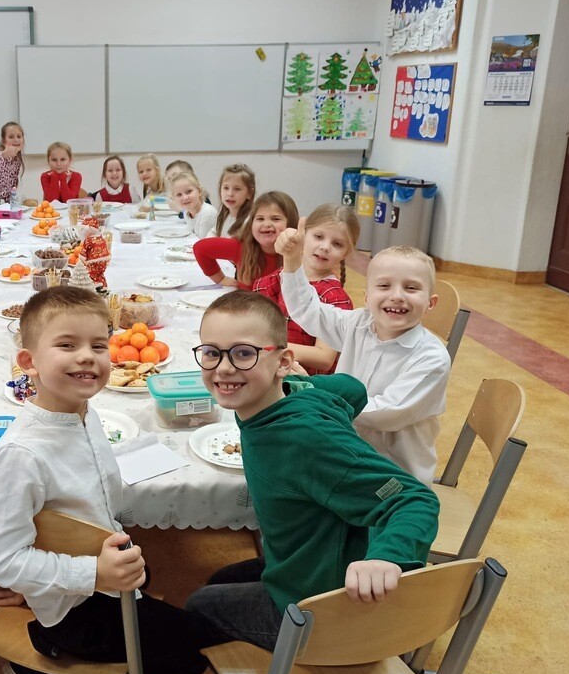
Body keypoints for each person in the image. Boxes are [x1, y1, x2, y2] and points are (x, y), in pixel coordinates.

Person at [0, 287, 223, 674]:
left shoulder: (85, 412)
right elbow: (5, 561)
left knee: (155, 586)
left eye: (98, 344)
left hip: (96, 566)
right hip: (75, 611)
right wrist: (93, 573)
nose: (87, 356)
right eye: (66, 345)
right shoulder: (21, 456)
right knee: (192, 654)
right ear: (28, 362)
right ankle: (46, 641)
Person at [185, 291, 439, 650]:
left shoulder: (304, 440)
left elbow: (411, 499)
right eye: (212, 353)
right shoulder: (289, 393)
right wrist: (303, 385)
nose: (224, 368)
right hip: (307, 560)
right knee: (220, 579)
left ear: (283, 361)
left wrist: (386, 557)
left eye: (243, 354)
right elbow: (351, 388)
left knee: (199, 605)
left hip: (323, 606)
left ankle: (293, 663)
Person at [278, 230, 450, 485]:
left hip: (393, 476)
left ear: (430, 303)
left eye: (411, 288)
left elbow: (388, 413)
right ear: (367, 298)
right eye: (384, 285)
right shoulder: (358, 323)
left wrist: (314, 390)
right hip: (344, 455)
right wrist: (292, 260)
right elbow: (307, 310)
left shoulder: (432, 357)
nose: (397, 295)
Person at [253, 204, 358, 375]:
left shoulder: (335, 297)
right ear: (304, 234)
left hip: (305, 381)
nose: (325, 247)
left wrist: (267, 347)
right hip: (271, 369)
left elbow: (324, 358)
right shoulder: (281, 276)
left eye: (337, 244)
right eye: (318, 236)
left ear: (345, 253)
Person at [193, 192, 298, 288]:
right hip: (247, 302)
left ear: (291, 223)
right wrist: (220, 279)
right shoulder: (241, 247)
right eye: (260, 219)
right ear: (251, 223)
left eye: (275, 219)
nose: (266, 224)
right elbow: (200, 248)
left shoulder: (300, 253)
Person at [209, 163, 256, 238]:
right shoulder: (224, 213)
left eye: (237, 189)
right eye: (226, 188)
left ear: (249, 193)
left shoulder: (249, 221)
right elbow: (213, 232)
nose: (230, 194)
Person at [170, 170, 218, 238]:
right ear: (174, 198)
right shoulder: (187, 212)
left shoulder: (208, 213)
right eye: (179, 195)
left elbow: (204, 242)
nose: (185, 197)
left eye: (189, 192)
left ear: (199, 191)